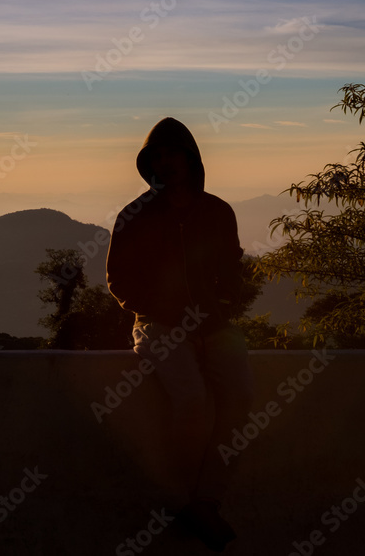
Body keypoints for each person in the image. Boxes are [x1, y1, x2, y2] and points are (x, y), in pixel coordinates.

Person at [106, 117, 254, 552]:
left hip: (215, 327)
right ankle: (190, 498)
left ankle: (205, 500)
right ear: (148, 163)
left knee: (241, 398)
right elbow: (119, 281)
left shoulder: (217, 211)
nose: (166, 162)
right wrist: (166, 313)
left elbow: (232, 275)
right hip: (156, 325)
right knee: (191, 399)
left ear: (191, 157)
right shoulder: (133, 216)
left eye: (173, 153)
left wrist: (217, 312)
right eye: (158, 156)